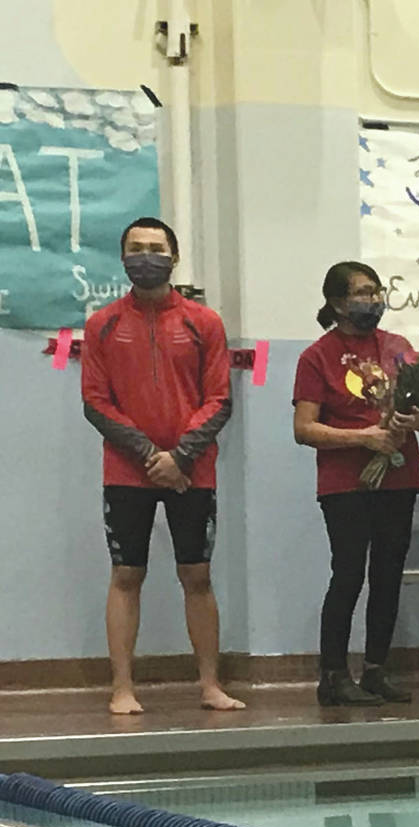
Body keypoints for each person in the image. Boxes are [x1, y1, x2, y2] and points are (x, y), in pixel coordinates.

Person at [81, 218, 241, 716]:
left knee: (197, 575)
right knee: (126, 575)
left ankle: (210, 685)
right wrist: (153, 458)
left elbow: (219, 399)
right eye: (136, 248)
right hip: (128, 472)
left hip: (192, 470)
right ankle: (122, 687)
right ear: (122, 257)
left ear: (174, 257)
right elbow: (95, 402)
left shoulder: (204, 322)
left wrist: (181, 457)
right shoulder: (102, 323)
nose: (145, 256)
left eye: (155, 248)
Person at [293, 262, 419, 706]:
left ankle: (377, 668)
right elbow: (304, 429)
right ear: (337, 302)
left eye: (376, 292)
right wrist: (363, 438)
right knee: (350, 573)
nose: (372, 301)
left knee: (389, 575)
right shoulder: (316, 356)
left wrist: (415, 418)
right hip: (346, 484)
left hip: (399, 475)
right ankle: (333, 674)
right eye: (360, 293)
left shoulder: (398, 347)